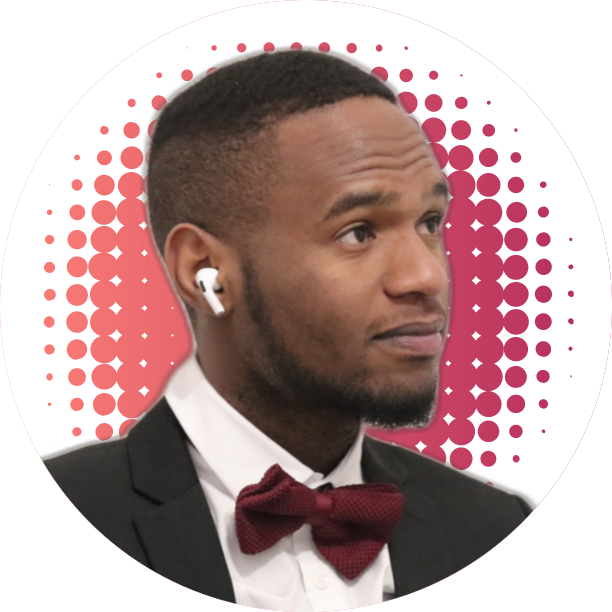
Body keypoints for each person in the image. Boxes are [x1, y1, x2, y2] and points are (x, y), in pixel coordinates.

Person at [45, 49, 531, 609]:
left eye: (429, 223)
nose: (428, 276)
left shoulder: (492, 527)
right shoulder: (81, 504)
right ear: (205, 271)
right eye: (358, 232)